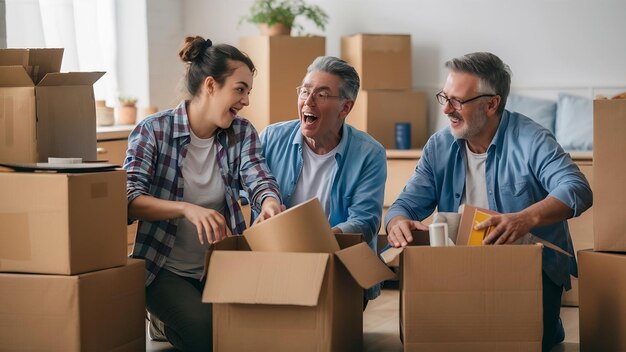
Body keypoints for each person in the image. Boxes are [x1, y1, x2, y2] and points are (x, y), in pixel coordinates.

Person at [385, 52, 592, 351]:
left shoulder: (532, 138)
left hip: (527, 269)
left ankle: (551, 322)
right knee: (430, 336)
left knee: (527, 341)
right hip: (459, 268)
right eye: (444, 97)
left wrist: (524, 219)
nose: (446, 109)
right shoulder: (438, 146)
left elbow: (577, 188)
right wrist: (397, 223)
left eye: (457, 101)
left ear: (492, 103)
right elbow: (404, 204)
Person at [124, 36, 283, 351]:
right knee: (210, 335)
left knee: (257, 331)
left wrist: (270, 202)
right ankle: (167, 318)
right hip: (163, 271)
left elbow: (258, 176)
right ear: (211, 85)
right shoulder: (154, 131)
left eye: (248, 91)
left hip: (221, 267)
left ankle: (183, 316)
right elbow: (128, 198)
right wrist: (185, 208)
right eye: (240, 89)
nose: (246, 100)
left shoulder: (242, 132)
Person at [255, 56, 387, 307]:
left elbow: (365, 221)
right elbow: (250, 190)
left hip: (337, 263)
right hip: (275, 260)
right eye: (305, 91)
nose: (309, 101)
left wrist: (311, 241)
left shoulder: (370, 153)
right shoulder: (272, 138)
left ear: (345, 108)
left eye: (322, 95)